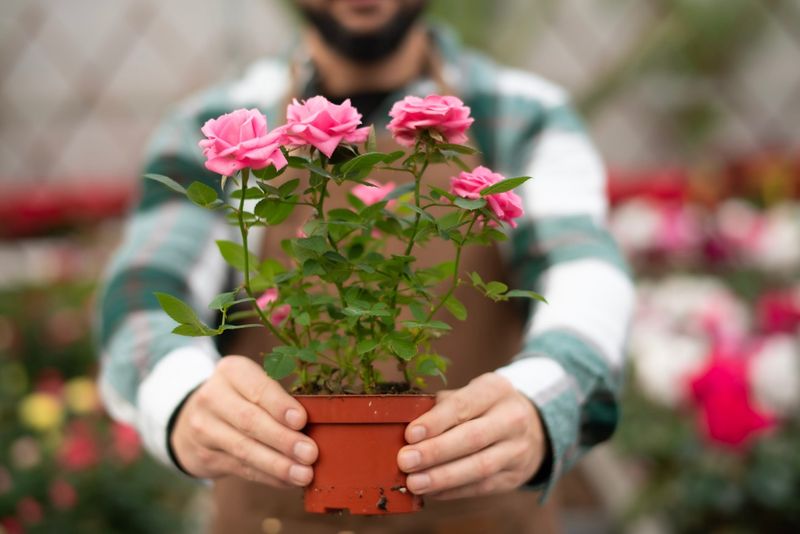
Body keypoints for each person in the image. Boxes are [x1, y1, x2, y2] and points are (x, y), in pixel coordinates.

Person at [95, 0, 635, 532]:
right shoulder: (215, 123)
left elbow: (585, 274)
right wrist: (180, 396)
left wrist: (543, 399)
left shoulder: (522, 114)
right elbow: (145, 286)